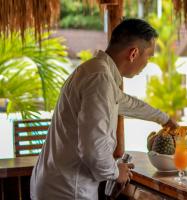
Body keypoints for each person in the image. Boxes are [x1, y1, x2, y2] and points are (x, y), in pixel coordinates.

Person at [30, 18, 177, 200]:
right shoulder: (100, 79)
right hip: (68, 190)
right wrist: (116, 172)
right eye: (148, 56)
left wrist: (164, 119)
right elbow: (93, 150)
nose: (147, 63)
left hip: (53, 183)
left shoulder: (93, 70)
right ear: (133, 53)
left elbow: (127, 103)